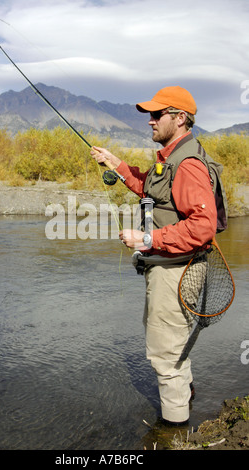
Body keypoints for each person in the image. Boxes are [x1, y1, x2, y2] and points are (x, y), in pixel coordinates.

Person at [90, 86, 218, 426]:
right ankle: (187, 396)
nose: (150, 121)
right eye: (150, 114)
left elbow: (202, 226)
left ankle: (175, 431)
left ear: (179, 118)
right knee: (174, 342)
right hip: (173, 267)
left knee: (165, 352)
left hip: (175, 270)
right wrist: (114, 163)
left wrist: (147, 238)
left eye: (157, 114)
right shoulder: (172, 159)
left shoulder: (187, 164)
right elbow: (150, 186)